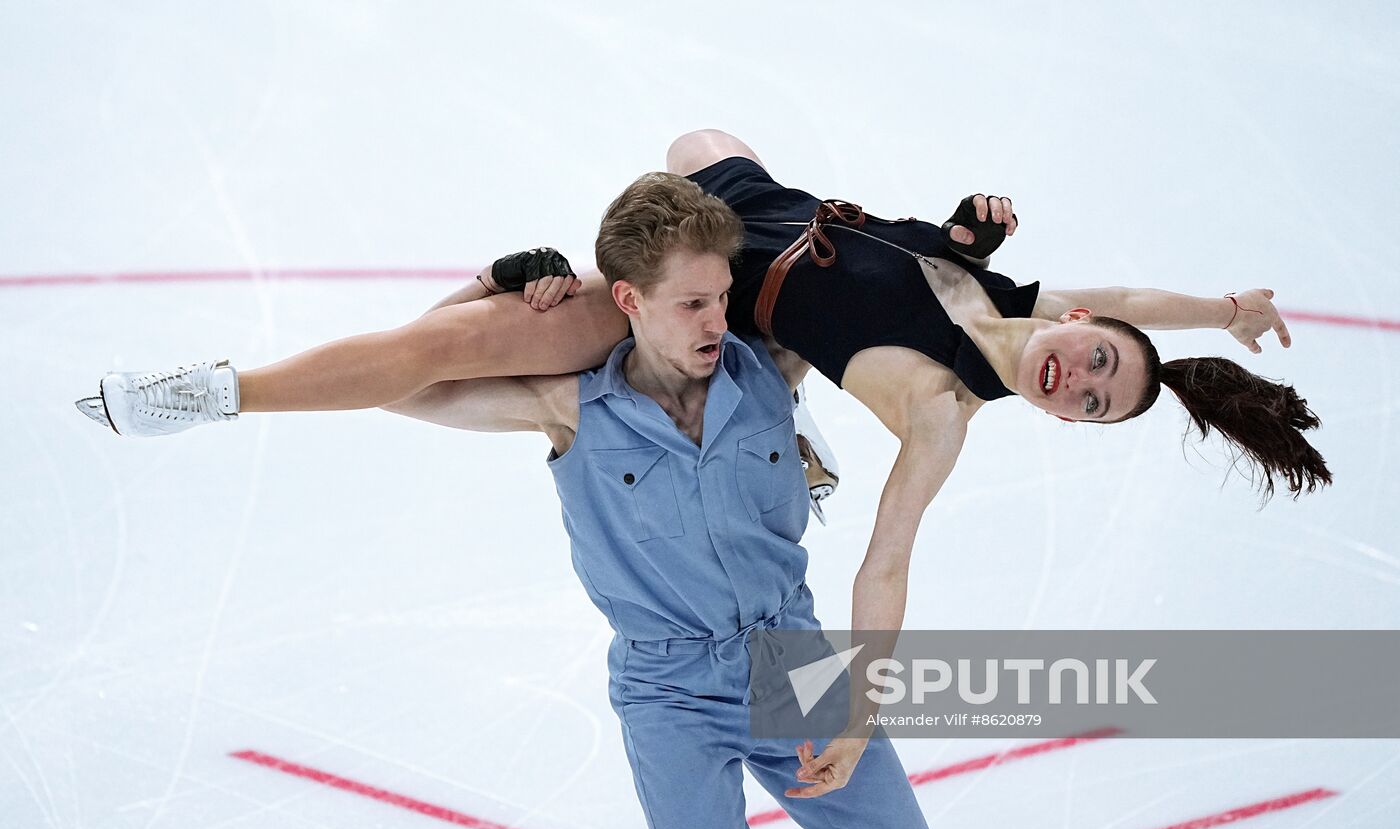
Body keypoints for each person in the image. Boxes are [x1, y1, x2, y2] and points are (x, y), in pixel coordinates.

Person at [75, 129, 1330, 782]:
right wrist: (1223, 310)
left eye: (1093, 404)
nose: (1084, 378)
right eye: (1100, 358)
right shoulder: (1002, 277)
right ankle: (776, 405)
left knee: (458, 347)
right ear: (1078, 322)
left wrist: (863, 695)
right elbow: (1138, 297)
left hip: (715, 293)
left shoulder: (942, 412)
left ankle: (213, 393)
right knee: (688, 135)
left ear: (1063, 423)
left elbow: (885, 565)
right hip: (751, 208)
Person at [384, 172, 931, 829]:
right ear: (629, 299)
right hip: (670, 692)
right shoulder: (571, 410)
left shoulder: (770, 365)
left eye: (723, 297)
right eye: (691, 303)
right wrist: (487, 286)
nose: (717, 321)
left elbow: (893, 305)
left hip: (795, 662)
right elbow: (401, 381)